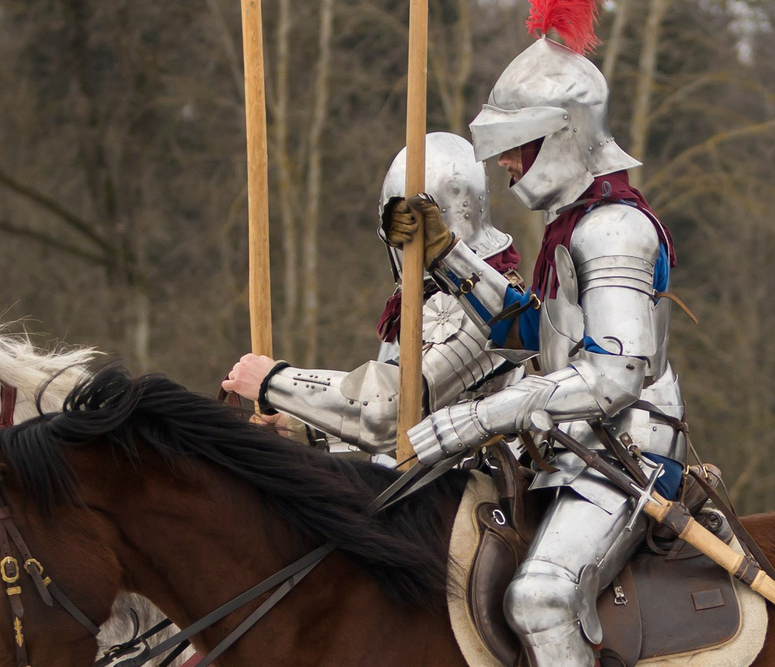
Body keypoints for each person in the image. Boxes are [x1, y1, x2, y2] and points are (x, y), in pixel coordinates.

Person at [404, 0, 676, 667]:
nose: (511, 172)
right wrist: (444, 259)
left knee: (543, 596)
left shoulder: (614, 236)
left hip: (627, 452)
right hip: (567, 445)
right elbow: (534, 330)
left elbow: (613, 373)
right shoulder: (572, 228)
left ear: (563, 135)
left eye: (519, 152)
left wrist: (476, 416)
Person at [221, 132, 538, 451]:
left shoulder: (480, 302)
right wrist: (302, 427)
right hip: (423, 481)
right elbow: (411, 428)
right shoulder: (423, 302)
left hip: (475, 482)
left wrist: (274, 381)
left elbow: (394, 408)